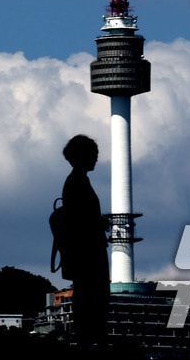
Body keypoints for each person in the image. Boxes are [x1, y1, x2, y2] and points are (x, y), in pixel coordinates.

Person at [59, 135, 108, 351]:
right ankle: (89, 339)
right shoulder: (78, 182)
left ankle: (88, 338)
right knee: (92, 297)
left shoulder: (75, 181)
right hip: (88, 251)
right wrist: (98, 222)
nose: (96, 158)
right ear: (83, 156)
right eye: (93, 154)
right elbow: (81, 219)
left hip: (84, 250)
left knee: (88, 295)